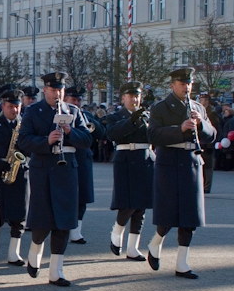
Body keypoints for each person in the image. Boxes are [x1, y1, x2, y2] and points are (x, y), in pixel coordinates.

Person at [17, 72, 93, 287]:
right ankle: (35, 251)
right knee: (43, 220)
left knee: (64, 223)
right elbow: (23, 141)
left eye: (60, 89)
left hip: (67, 169)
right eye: (53, 89)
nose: (57, 93)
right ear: (45, 90)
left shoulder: (74, 111)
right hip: (43, 169)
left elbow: (87, 139)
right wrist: (46, 140)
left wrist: (70, 132)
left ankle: (56, 272)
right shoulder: (33, 111)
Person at [146, 67, 216, 279]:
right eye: (183, 83)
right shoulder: (160, 108)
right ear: (172, 85)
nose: (187, 87)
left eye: (189, 83)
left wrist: (200, 124)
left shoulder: (196, 107)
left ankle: (182, 263)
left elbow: (211, 135)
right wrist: (180, 129)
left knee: (189, 216)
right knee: (168, 215)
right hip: (169, 163)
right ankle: (155, 243)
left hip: (192, 163)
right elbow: (153, 134)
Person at [105, 81, 153, 262]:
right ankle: (117, 231)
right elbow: (112, 134)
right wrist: (133, 120)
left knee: (140, 205)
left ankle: (133, 247)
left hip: (144, 159)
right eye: (131, 96)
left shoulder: (147, 116)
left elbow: (154, 135)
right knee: (127, 203)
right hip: (125, 159)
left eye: (137, 96)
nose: (135, 99)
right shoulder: (115, 116)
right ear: (123, 97)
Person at [0, 89, 29, 265]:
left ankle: (14, 253)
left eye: (17, 107)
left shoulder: (25, 125)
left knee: (20, 215)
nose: (15, 110)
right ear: (3, 106)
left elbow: (30, 146)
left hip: (20, 173)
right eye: (11, 106)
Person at [64, 86, 104, 244]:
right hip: (68, 157)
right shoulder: (63, 114)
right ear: (66, 99)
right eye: (74, 100)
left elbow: (101, 133)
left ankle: (76, 231)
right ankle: (64, 227)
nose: (77, 102)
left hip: (83, 158)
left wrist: (89, 119)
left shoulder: (85, 114)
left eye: (79, 100)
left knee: (83, 194)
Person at [198, 91, 220, 193]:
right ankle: (202, 185)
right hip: (200, 142)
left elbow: (215, 130)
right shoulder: (200, 111)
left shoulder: (212, 113)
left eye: (205, 100)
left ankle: (207, 186)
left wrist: (211, 145)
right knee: (201, 165)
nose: (203, 102)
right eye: (202, 100)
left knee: (208, 166)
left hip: (208, 143)